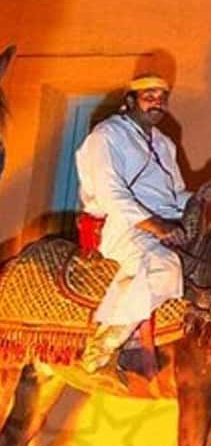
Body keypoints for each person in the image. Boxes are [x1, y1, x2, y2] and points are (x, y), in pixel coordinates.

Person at [76, 74, 192, 371]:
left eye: (162, 98)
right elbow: (111, 194)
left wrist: (199, 200)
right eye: (149, 97)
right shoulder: (107, 135)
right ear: (129, 101)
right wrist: (156, 226)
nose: (158, 104)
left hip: (166, 223)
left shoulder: (165, 143)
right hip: (124, 227)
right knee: (165, 266)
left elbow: (175, 194)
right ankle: (107, 340)